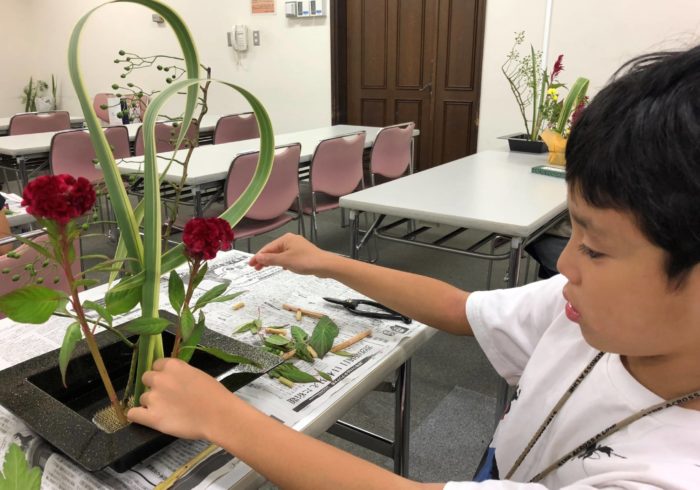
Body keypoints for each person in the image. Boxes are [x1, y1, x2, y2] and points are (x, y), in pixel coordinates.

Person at [127, 45, 700, 488]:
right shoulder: (587, 312)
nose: (564, 263)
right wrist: (327, 262)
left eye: (595, 249)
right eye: (570, 233)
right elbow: (459, 308)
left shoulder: (671, 471)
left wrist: (224, 419)